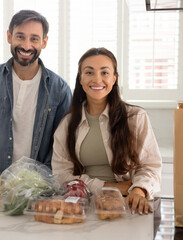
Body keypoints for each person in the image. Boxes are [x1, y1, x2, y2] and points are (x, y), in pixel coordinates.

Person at [52, 47, 161, 215]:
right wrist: (113, 188)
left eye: (104, 73)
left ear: (114, 78)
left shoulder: (135, 117)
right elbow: (61, 175)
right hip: (84, 206)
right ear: (80, 79)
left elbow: (150, 166)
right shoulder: (67, 124)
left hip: (129, 202)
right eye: (89, 72)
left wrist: (138, 190)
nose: (97, 80)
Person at [0, 10, 72, 172]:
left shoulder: (60, 89)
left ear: (44, 42)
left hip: (37, 187)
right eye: (20, 36)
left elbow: (63, 147)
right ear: (9, 36)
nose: (26, 46)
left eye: (34, 39)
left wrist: (42, 181)